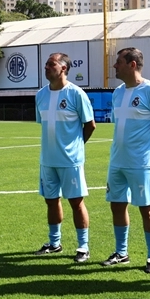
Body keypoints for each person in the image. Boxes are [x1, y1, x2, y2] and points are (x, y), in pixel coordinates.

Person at [101, 47, 150, 274]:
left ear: (132, 64)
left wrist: (149, 148)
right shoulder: (118, 93)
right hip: (117, 161)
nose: (114, 66)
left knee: (147, 210)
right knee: (117, 205)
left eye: (118, 62)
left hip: (142, 163)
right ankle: (121, 253)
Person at [34, 53, 96, 262]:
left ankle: (83, 246)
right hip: (47, 160)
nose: (47, 68)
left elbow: (90, 125)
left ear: (64, 68)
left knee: (76, 203)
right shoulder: (41, 95)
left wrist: (76, 146)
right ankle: (54, 243)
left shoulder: (76, 94)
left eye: (51, 64)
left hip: (70, 160)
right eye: (46, 65)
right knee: (51, 201)